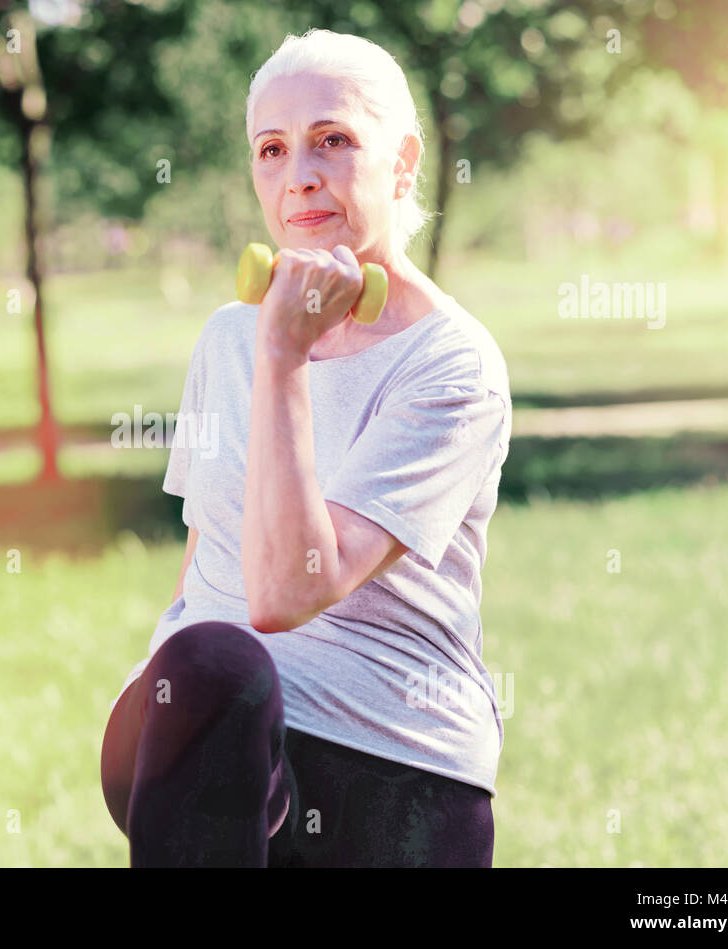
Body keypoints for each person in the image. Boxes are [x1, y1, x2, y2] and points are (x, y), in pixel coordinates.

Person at [100, 28, 512, 867]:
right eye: (272, 150)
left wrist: (282, 358)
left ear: (402, 163)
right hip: (205, 722)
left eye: (333, 141)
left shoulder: (452, 364)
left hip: (387, 777)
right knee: (208, 659)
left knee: (224, 657)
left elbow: (288, 593)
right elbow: (208, 562)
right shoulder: (228, 339)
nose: (300, 177)